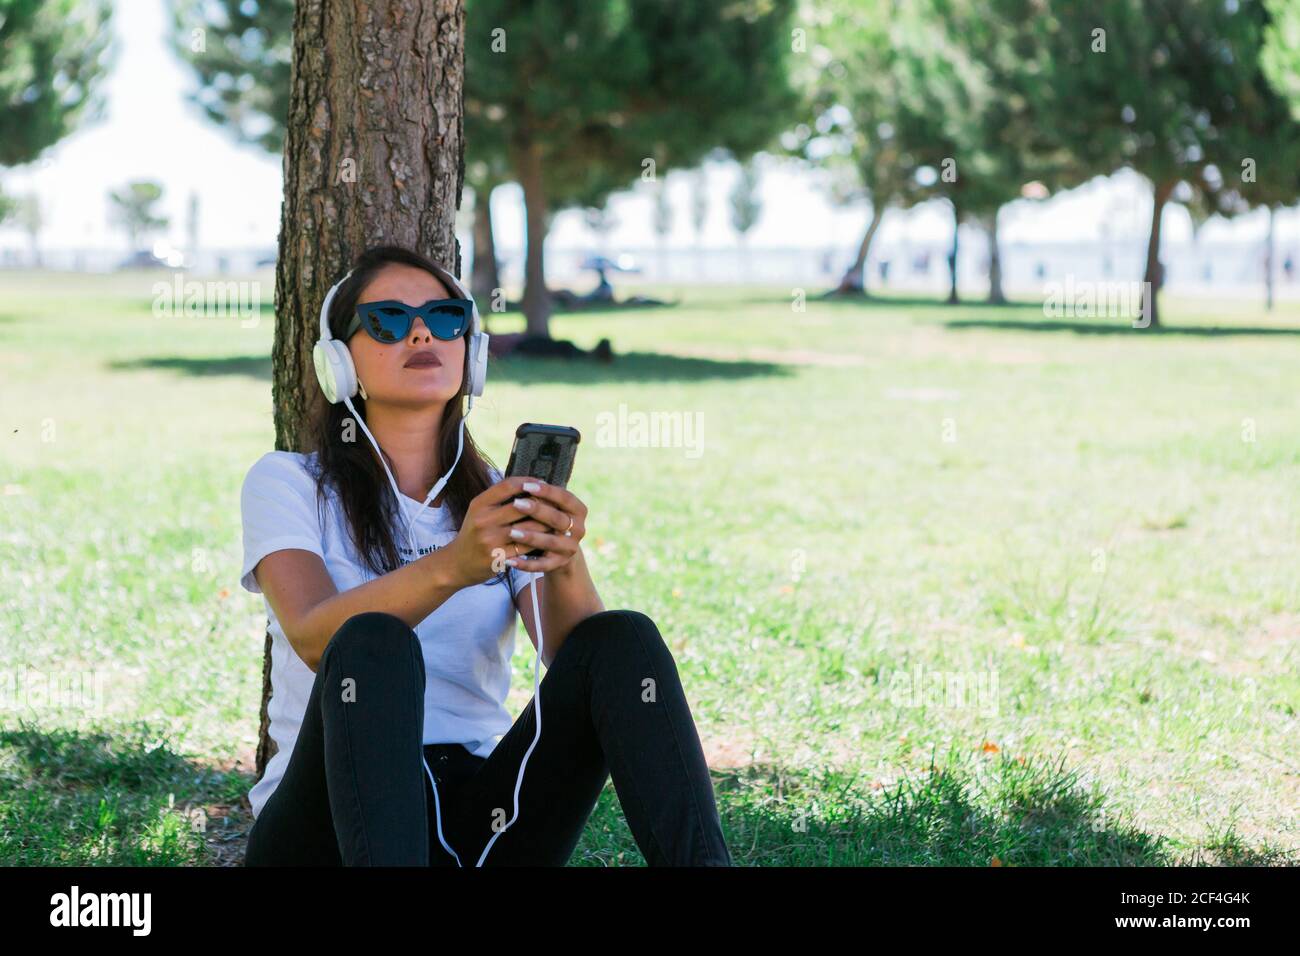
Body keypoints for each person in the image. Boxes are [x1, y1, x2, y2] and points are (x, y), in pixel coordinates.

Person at [239, 244, 731, 867]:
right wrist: (452, 566)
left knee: (622, 636)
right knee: (373, 642)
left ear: (469, 353)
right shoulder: (288, 482)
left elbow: (575, 657)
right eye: (388, 320)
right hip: (330, 823)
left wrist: (562, 557)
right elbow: (313, 636)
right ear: (340, 363)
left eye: (446, 318)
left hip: (481, 815)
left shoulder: (493, 495)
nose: (422, 331)